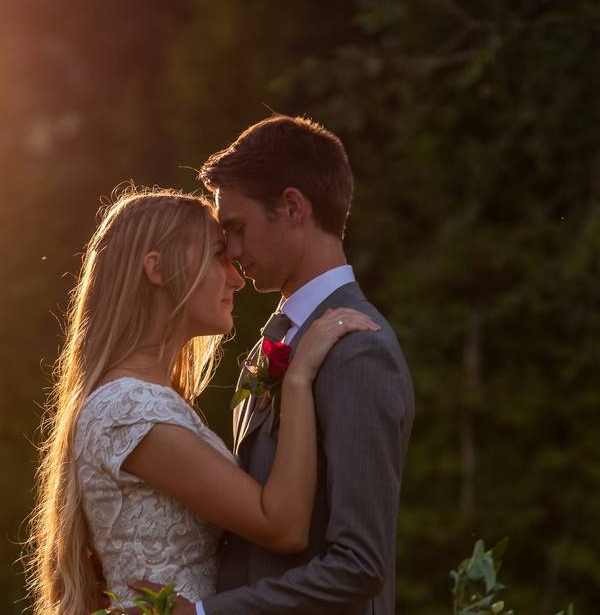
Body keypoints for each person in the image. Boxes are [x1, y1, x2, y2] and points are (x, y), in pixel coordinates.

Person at [25, 187, 377, 615]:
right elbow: (282, 526)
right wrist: (299, 378)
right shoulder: (130, 409)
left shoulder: (143, 400)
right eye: (217, 256)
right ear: (156, 269)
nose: (236, 278)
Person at [184, 115, 416, 615]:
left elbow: (359, 565)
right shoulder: (275, 340)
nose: (234, 254)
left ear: (292, 207)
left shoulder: (359, 353)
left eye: (238, 229)